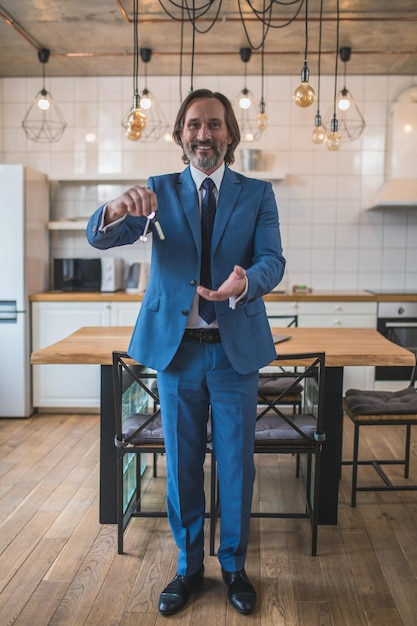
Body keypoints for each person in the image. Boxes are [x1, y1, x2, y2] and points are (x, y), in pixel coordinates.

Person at [87, 88, 285, 616]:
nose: (204, 134)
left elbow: (273, 260)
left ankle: (235, 567)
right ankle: (188, 568)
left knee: (237, 467)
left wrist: (246, 282)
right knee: (182, 467)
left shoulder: (257, 194)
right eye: (195, 124)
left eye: (215, 124)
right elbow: (103, 237)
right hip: (177, 355)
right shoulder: (156, 192)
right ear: (180, 135)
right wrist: (113, 207)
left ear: (230, 135)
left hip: (233, 351)